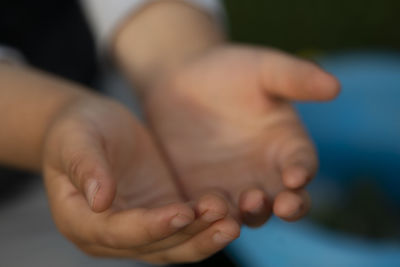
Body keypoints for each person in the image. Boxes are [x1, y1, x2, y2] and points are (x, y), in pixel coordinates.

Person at [0, 0, 340, 265]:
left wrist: (176, 58)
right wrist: (51, 121)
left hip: (105, 84)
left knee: (167, 220)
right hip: (13, 211)